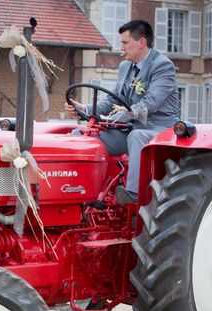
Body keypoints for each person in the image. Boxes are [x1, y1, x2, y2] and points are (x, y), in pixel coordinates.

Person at [65, 19, 179, 203]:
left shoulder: (163, 65)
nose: (121, 47)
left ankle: (133, 194)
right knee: (83, 134)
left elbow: (151, 102)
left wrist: (121, 116)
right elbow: (114, 99)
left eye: (125, 43)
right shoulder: (125, 66)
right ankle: (83, 191)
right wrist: (84, 109)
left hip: (157, 128)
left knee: (137, 136)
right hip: (130, 126)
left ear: (141, 42)